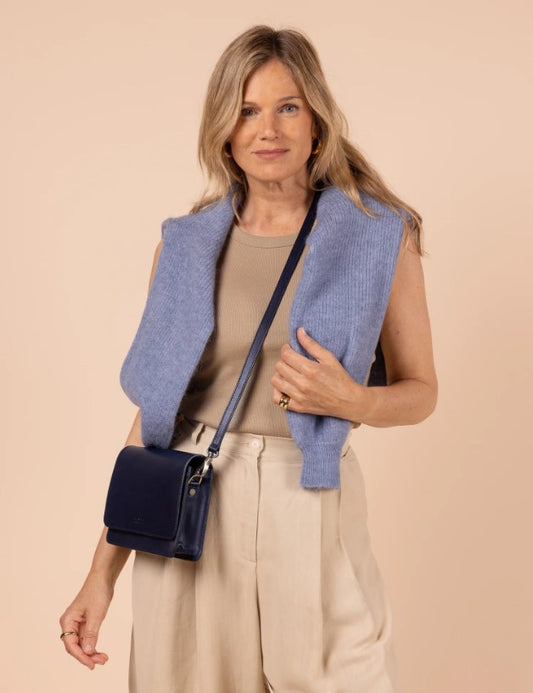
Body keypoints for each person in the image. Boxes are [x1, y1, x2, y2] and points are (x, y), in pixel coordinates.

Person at [60, 25, 437, 693]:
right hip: (192, 496)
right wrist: (100, 575)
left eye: (288, 106)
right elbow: (154, 419)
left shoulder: (379, 236)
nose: (268, 129)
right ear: (224, 132)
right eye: (246, 110)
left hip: (311, 492)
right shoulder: (184, 246)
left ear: (316, 123)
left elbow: (421, 390)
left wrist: (353, 401)